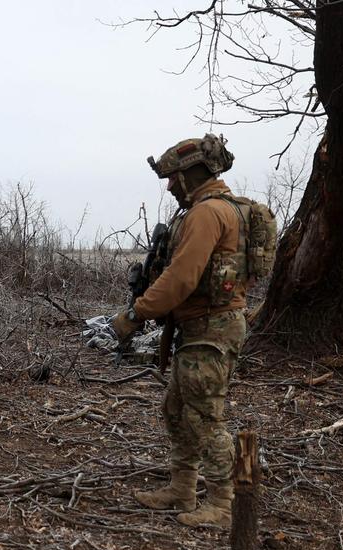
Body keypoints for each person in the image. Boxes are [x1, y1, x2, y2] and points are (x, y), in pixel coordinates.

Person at [110, 134, 248, 529]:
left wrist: (135, 314)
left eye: (174, 178)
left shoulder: (208, 214)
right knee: (177, 409)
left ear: (191, 174)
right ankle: (183, 488)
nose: (170, 186)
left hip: (211, 327)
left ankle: (223, 503)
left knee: (205, 416)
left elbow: (181, 278)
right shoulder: (218, 210)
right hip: (203, 325)